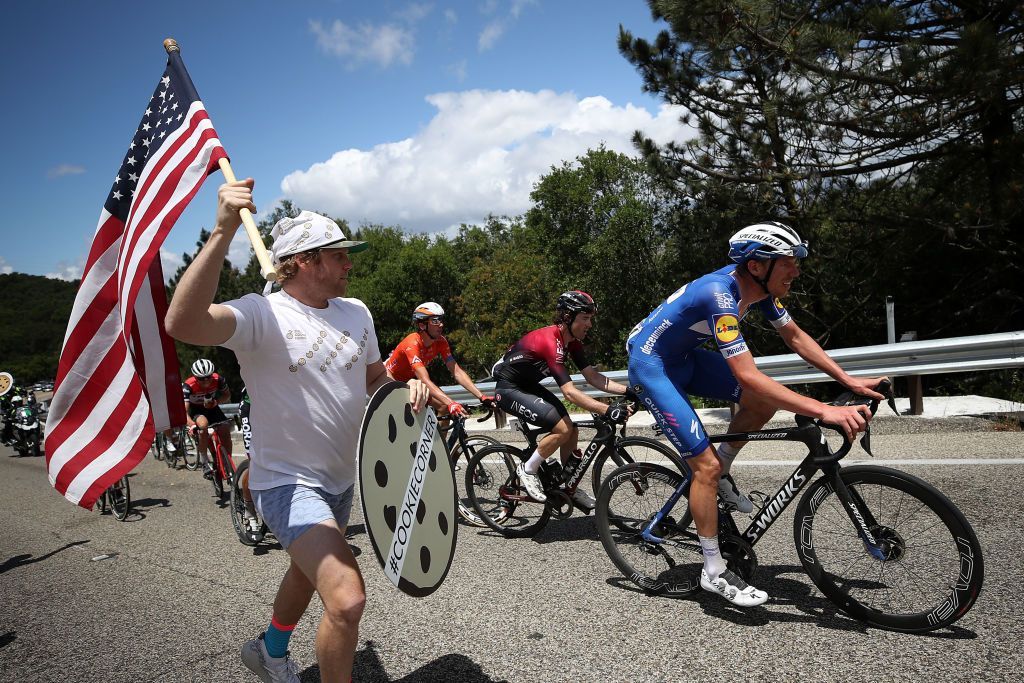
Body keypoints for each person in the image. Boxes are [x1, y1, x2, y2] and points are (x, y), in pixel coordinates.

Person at [165, 179, 428, 683]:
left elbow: (372, 379)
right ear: (305, 260)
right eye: (339, 255)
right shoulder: (261, 314)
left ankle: (269, 649)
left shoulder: (358, 313)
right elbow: (183, 322)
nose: (350, 263)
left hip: (340, 478)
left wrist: (403, 387)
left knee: (308, 574)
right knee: (347, 598)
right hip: (285, 482)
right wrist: (222, 231)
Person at [626, 221, 886, 607]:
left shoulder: (760, 290)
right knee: (705, 468)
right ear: (757, 266)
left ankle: (723, 471)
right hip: (653, 366)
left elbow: (794, 336)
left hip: (685, 358)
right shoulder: (719, 294)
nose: (796, 270)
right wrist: (823, 410)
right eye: (789, 262)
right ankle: (712, 571)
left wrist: (848, 379)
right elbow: (747, 374)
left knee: (761, 404)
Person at [491, 290, 632, 510]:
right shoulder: (551, 341)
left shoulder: (572, 343)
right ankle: (527, 469)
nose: (590, 324)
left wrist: (628, 392)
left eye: (591, 319)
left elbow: (593, 377)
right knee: (563, 429)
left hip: (527, 386)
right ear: (568, 317)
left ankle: (568, 487)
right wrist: (607, 409)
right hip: (509, 389)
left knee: (571, 431)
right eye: (585, 318)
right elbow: (569, 392)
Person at [384, 302, 493, 418]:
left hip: (409, 381)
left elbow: (456, 371)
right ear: (422, 325)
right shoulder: (412, 343)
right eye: (435, 321)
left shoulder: (441, 342)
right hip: (389, 378)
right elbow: (424, 379)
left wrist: (481, 396)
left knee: (444, 407)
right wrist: (451, 402)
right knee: (408, 413)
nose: (440, 325)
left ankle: (440, 437)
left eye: (441, 320)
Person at [182, 358, 232, 478]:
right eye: (201, 379)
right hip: (196, 410)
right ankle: (204, 462)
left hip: (212, 407)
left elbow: (227, 395)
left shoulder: (218, 379)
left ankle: (227, 462)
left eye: (208, 377)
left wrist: (216, 402)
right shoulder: (188, 385)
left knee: (225, 429)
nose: (206, 381)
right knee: (203, 426)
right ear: (195, 377)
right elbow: (184, 411)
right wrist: (192, 425)